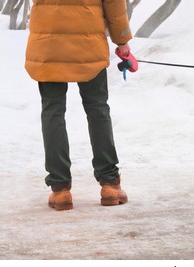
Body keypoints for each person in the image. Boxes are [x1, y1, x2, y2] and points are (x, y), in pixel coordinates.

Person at [25, 0, 132, 211]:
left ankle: (60, 189)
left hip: (48, 43)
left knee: (53, 111)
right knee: (97, 109)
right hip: (88, 43)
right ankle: (110, 184)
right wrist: (122, 40)